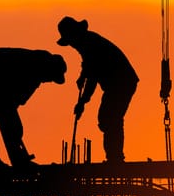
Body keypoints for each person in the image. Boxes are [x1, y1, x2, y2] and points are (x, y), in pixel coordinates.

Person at [56, 16, 139, 163]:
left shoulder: (89, 43)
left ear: (74, 35)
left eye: (70, 40)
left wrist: (83, 101)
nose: (71, 45)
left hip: (122, 83)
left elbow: (93, 75)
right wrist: (82, 76)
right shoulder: (86, 42)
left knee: (109, 118)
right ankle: (115, 157)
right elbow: (87, 65)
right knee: (109, 119)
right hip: (117, 84)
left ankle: (115, 158)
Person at [0, 47, 66, 168]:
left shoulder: (37, 69)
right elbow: (15, 101)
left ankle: (13, 159)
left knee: (4, 123)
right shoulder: (33, 68)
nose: (49, 81)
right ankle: (0, 160)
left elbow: (18, 100)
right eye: (51, 78)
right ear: (50, 70)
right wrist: (9, 116)